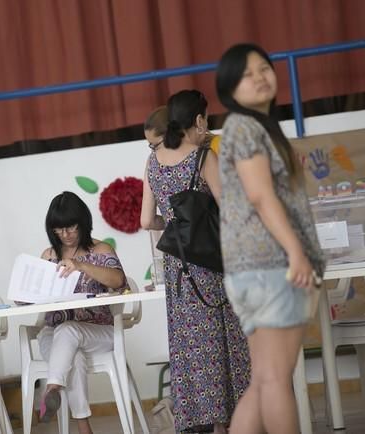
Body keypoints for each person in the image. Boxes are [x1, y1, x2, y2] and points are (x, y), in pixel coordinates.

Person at [215, 44, 325, 434]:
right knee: (277, 379)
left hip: (252, 271)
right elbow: (261, 194)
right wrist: (296, 252)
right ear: (229, 87)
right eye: (248, 74)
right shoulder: (244, 126)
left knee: (263, 380)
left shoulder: (254, 128)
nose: (261, 77)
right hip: (271, 266)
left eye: (265, 68)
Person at [141, 91, 250, 434]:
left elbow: (147, 220)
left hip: (179, 267)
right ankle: (227, 425)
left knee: (192, 346)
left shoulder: (153, 160)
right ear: (199, 120)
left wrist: (175, 225)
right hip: (211, 263)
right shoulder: (203, 156)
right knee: (223, 341)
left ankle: (202, 421)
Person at [35, 191, 127, 434]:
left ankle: (52, 388)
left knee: (69, 330)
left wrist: (81, 265)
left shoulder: (101, 249)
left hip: (99, 333)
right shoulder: (49, 256)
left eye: (71, 227)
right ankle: (83, 426)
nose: (65, 235)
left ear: (83, 223)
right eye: (58, 229)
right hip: (53, 335)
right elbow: (35, 295)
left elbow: (118, 280)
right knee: (71, 353)